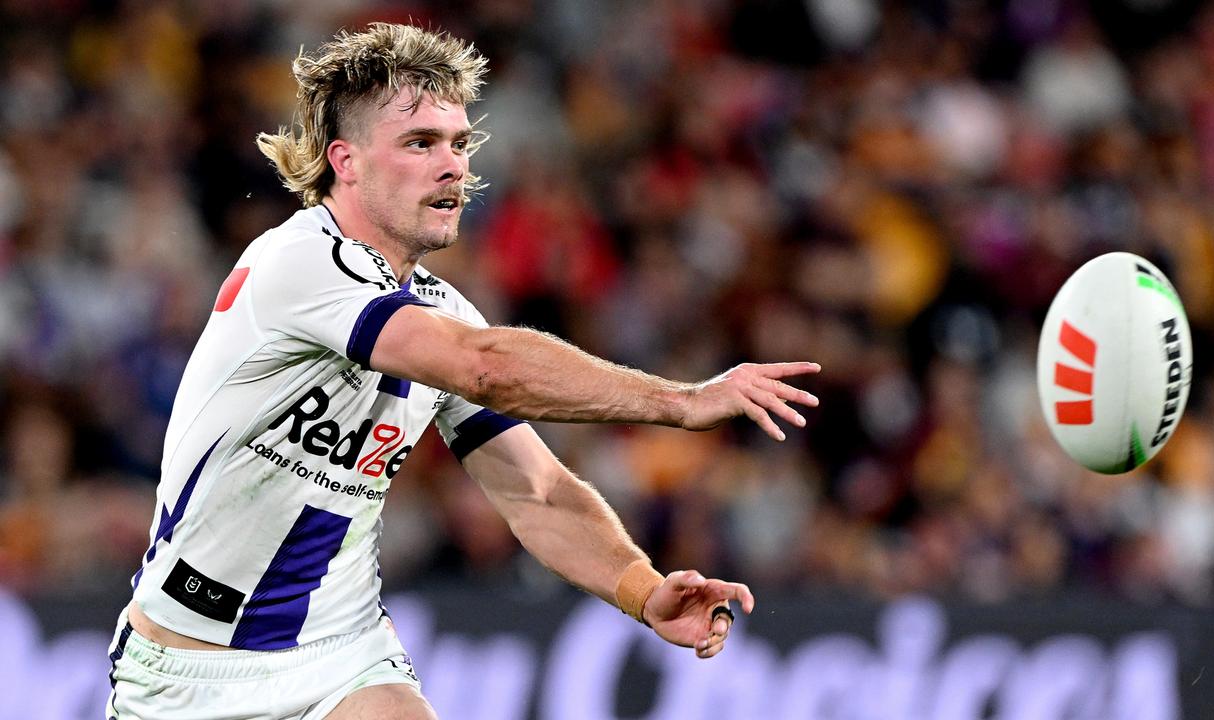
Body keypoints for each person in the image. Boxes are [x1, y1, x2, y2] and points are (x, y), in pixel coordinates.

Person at [106, 23, 819, 720]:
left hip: (339, 655)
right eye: (419, 144)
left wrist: (642, 588)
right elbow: (482, 369)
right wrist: (681, 401)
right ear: (345, 160)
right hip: (189, 671)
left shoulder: (443, 311)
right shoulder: (297, 263)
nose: (454, 166)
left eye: (458, 143)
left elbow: (537, 492)